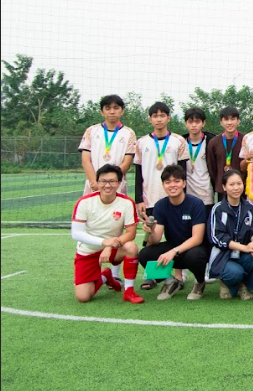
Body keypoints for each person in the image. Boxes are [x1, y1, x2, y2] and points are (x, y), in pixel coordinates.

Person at [71, 164, 144, 304]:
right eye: (103, 181)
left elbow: (131, 233)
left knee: (131, 247)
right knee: (83, 297)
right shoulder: (84, 202)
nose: (107, 185)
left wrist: (109, 246)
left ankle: (129, 291)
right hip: (88, 251)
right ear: (97, 183)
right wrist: (103, 242)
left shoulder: (127, 203)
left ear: (119, 183)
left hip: (113, 249)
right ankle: (105, 276)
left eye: (112, 181)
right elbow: (76, 234)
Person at [137, 164, 208, 300]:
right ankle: (171, 281)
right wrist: (150, 232)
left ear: (184, 183)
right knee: (144, 254)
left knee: (196, 256)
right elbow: (155, 240)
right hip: (173, 246)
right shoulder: (160, 205)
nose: (172, 185)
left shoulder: (196, 204)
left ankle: (200, 282)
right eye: (168, 182)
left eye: (177, 181)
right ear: (163, 185)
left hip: (193, 248)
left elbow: (197, 238)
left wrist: (173, 251)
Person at [208, 169, 253, 300]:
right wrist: (245, 247)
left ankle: (245, 285)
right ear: (224, 187)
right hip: (223, 255)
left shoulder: (250, 207)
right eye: (231, 184)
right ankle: (227, 283)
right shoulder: (218, 209)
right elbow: (217, 237)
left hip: (243, 254)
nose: (236, 188)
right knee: (235, 273)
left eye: (239, 184)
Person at [134, 101, 190, 220]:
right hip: (149, 198)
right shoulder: (141, 142)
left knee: (174, 230)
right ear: (150, 119)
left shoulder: (179, 141)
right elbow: (138, 173)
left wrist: (183, 197)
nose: (159, 119)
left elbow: (183, 172)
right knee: (152, 230)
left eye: (162, 116)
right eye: (155, 116)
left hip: (173, 197)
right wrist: (138, 200)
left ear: (168, 118)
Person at [79, 94, 137, 196]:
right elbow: (85, 160)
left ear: (122, 111)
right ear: (102, 111)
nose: (112, 111)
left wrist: (111, 183)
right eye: (107, 108)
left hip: (117, 187)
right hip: (94, 186)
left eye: (116, 108)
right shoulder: (91, 131)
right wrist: (96, 182)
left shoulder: (129, 133)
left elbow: (126, 163)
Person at [206, 106, 243, 201]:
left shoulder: (245, 140)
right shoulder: (214, 142)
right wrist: (219, 181)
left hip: (241, 189)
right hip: (222, 189)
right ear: (221, 122)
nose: (229, 122)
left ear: (238, 121)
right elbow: (212, 167)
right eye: (226, 119)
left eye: (233, 119)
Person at [183, 107, 215, 207]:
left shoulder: (211, 141)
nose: (194, 125)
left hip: (206, 193)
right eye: (190, 122)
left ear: (203, 123)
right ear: (185, 123)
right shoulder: (180, 142)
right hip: (187, 194)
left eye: (197, 122)